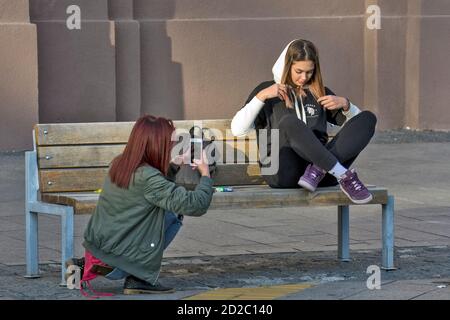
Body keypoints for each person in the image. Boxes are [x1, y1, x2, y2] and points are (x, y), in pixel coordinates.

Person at [68, 115, 214, 295]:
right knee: (172, 214)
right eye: (170, 142)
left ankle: (79, 266)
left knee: (159, 209)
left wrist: (175, 164)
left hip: (98, 249)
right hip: (115, 261)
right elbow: (196, 205)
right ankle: (139, 278)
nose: (172, 147)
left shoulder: (121, 163)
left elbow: (153, 189)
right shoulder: (148, 177)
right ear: (157, 144)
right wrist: (206, 174)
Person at [231, 39, 377, 204]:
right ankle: (343, 175)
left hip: (319, 178)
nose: (304, 77)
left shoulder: (319, 93)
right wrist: (261, 97)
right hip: (282, 172)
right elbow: (237, 129)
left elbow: (355, 131)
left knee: (368, 118)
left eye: (309, 72)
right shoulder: (267, 91)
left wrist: (346, 105)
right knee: (289, 122)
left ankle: (319, 169)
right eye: (299, 71)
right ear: (287, 66)